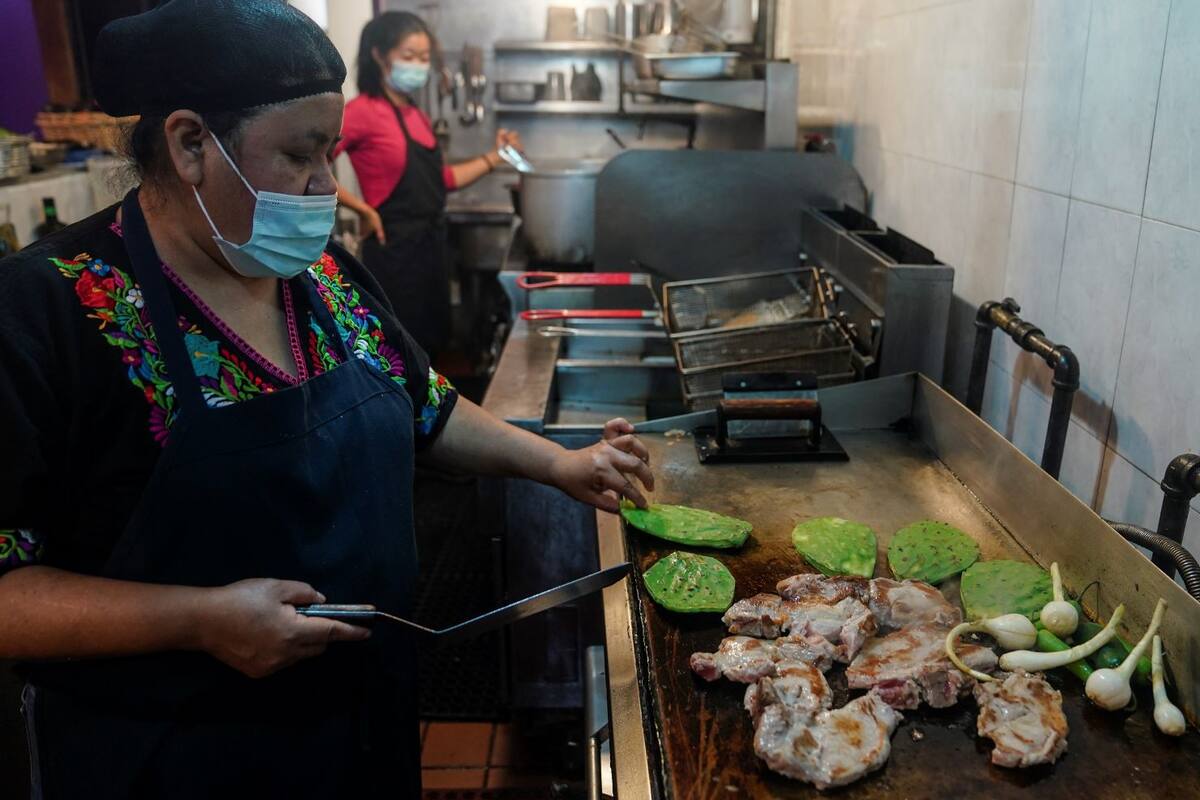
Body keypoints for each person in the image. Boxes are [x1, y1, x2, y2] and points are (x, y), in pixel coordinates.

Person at [0, 3, 652, 798]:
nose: (325, 188)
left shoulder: (319, 279)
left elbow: (428, 406)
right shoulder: (51, 309)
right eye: (300, 156)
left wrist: (560, 463)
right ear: (190, 143)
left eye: (331, 155)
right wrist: (197, 618)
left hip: (360, 730)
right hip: (174, 759)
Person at [336, 11, 519, 356]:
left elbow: (442, 180)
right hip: (394, 252)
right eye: (408, 57)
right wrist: (361, 208)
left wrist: (496, 157)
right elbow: (313, 163)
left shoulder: (416, 114)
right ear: (378, 54)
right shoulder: (361, 111)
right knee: (400, 354)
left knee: (433, 347)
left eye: (423, 58)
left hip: (432, 248)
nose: (419, 66)